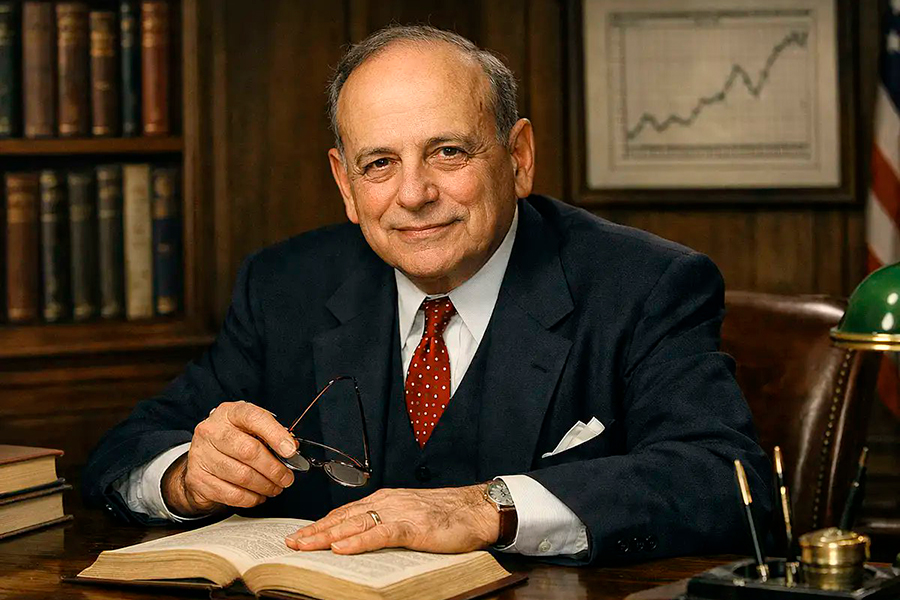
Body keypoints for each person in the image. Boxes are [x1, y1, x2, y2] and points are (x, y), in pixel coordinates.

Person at [83, 25, 771, 564]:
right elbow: (123, 450)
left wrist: (484, 508)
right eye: (379, 163)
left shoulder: (645, 285)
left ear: (519, 158)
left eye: (448, 152)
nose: (413, 195)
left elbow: (727, 480)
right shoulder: (285, 286)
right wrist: (188, 478)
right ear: (345, 184)